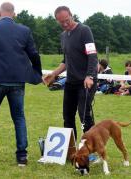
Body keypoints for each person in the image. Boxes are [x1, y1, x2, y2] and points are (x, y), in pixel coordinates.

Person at [0, 2, 42, 167]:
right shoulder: (25, 30)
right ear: (14, 14)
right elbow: (34, 54)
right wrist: (38, 73)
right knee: (19, 117)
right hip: (17, 81)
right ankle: (22, 157)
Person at [43, 6, 98, 140]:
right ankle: (71, 149)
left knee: (84, 115)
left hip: (86, 82)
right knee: (67, 116)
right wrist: (54, 74)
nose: (65, 24)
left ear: (71, 15)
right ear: (57, 21)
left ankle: (91, 150)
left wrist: (89, 76)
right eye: (61, 22)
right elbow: (66, 60)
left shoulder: (84, 30)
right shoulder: (63, 36)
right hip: (70, 82)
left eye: (67, 20)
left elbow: (92, 55)